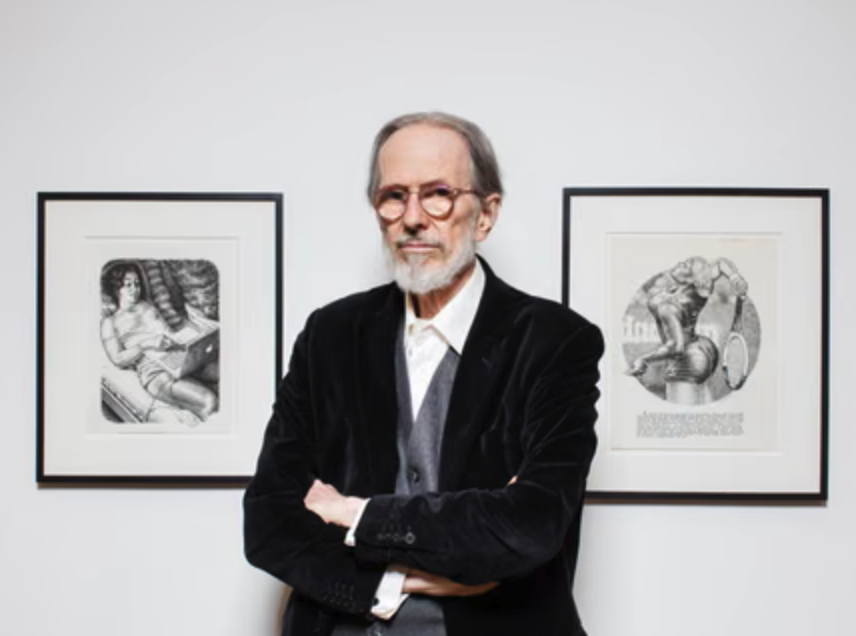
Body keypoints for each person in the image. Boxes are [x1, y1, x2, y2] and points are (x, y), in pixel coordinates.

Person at [243, 112, 604, 636]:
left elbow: (531, 523)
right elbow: (269, 521)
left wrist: (355, 514)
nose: (412, 218)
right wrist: (394, 583)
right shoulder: (330, 334)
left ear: (485, 214)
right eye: (394, 196)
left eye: (438, 194)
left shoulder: (555, 340)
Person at [100, 264, 218, 421]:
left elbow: (167, 333)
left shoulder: (147, 306)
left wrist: (188, 340)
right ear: (116, 289)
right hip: (155, 372)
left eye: (137, 283)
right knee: (209, 401)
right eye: (128, 284)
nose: (134, 289)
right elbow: (117, 359)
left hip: (177, 358)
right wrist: (146, 345)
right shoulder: (110, 322)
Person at [625, 256, 748, 405]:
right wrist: (735, 278)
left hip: (685, 361)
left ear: (693, 279)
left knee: (681, 415)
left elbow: (676, 347)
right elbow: (721, 263)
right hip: (703, 351)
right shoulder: (697, 288)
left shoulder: (668, 307)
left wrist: (644, 359)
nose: (682, 263)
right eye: (686, 262)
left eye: (687, 266)